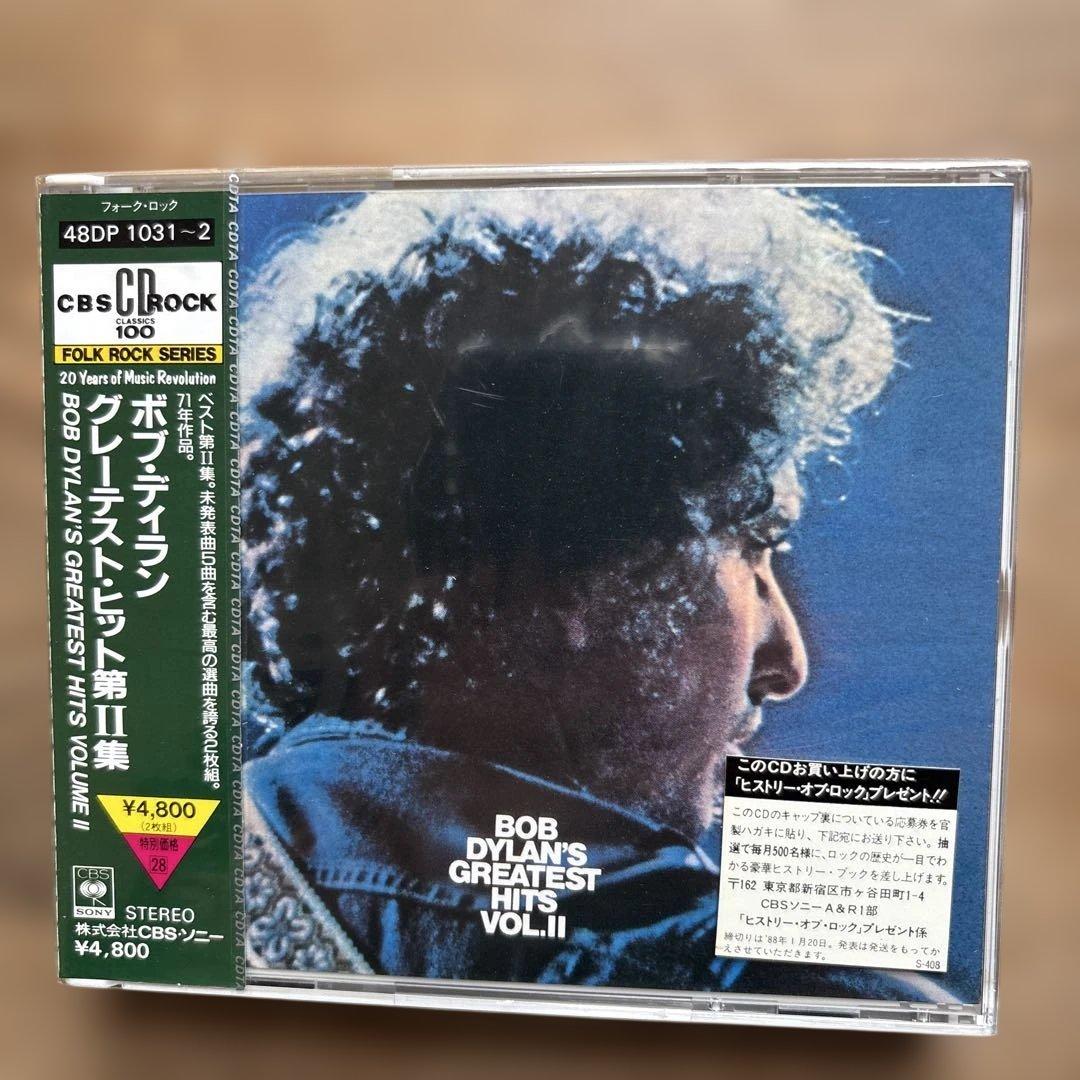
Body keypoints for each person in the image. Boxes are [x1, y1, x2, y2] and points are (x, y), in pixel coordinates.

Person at [239, 187, 946, 1001]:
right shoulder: (760, 982)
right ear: (563, 580)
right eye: (751, 551)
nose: (787, 660)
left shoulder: (163, 880)